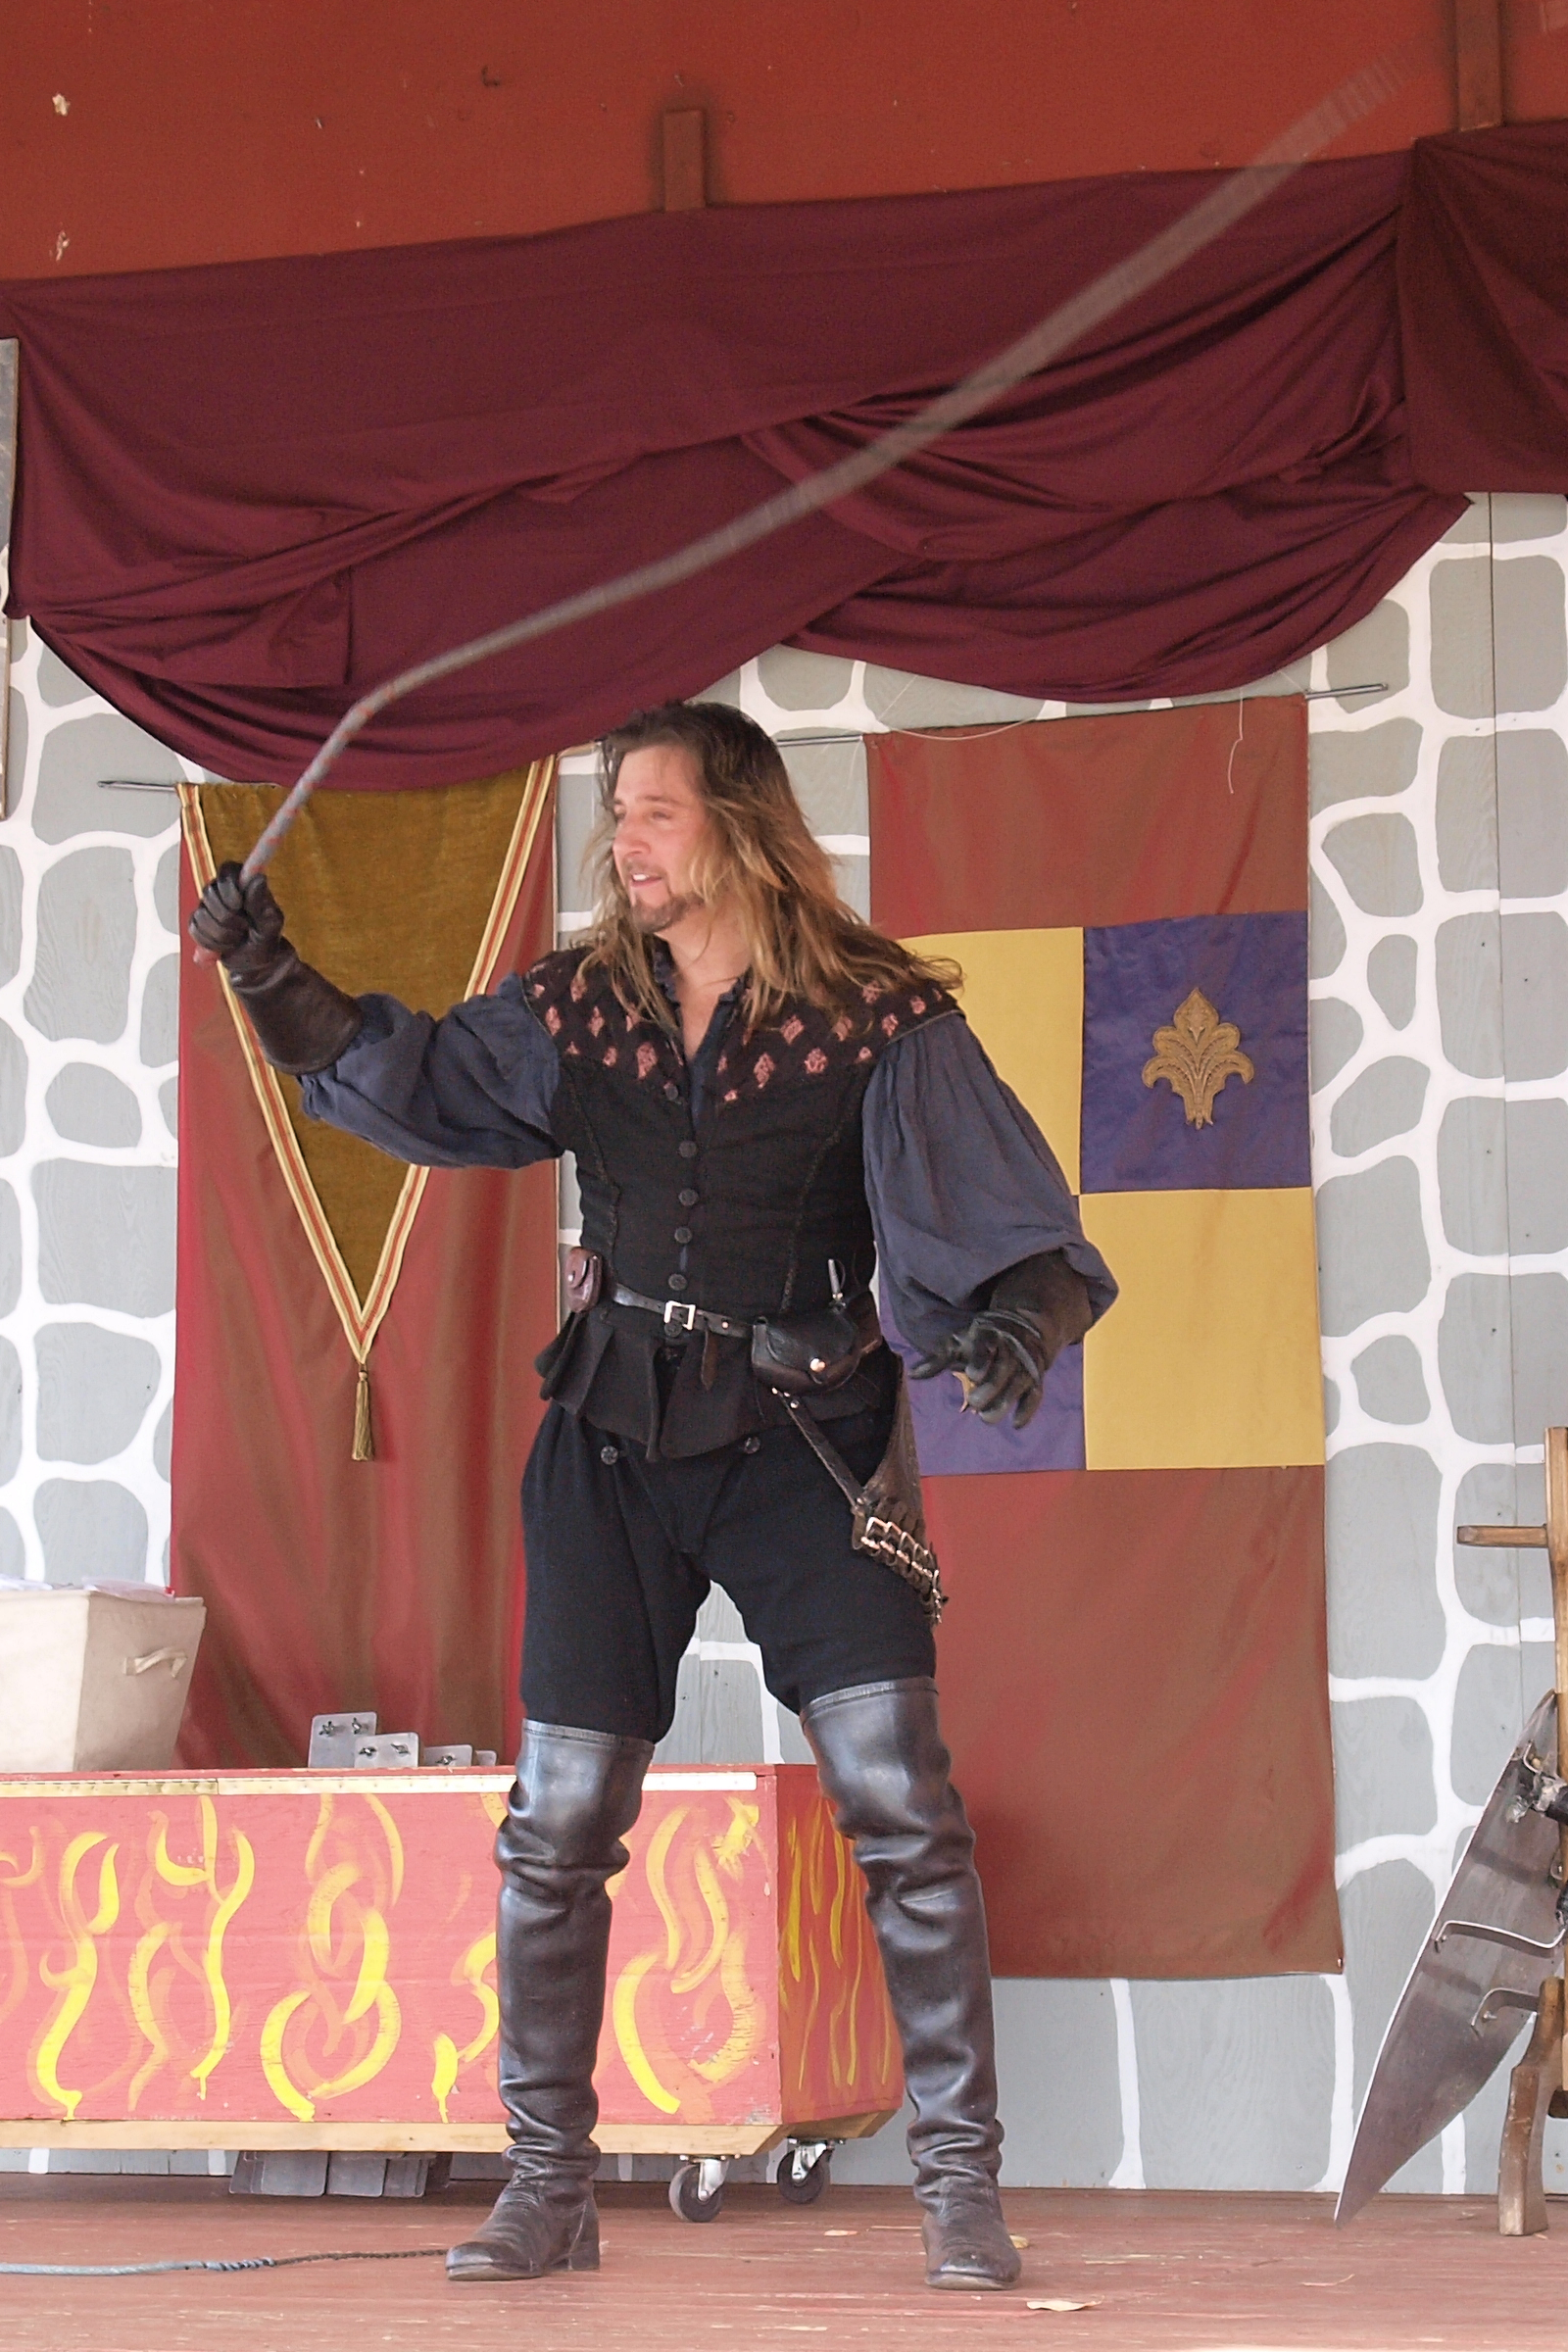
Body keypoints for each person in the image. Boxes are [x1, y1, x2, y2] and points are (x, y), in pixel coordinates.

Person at [191, 701, 1115, 2293]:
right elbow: (418, 1081)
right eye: (616, 813)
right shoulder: (581, 1008)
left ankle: (962, 2194)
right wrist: (270, 972)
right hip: (611, 1437)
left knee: (899, 1803)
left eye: (654, 812)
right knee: (557, 1824)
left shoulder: (874, 1015)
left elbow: (1008, 1210)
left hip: (805, 1439)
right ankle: (548, 2190)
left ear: (741, 826)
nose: (621, 841)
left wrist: (1018, 1324)